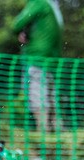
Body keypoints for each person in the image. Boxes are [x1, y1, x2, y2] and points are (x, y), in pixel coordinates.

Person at [12, 0, 64, 132]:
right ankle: (57, 133)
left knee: (38, 96)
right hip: (52, 60)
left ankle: (43, 133)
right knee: (51, 97)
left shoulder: (39, 3)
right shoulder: (53, 8)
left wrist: (23, 30)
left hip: (36, 58)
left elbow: (17, 24)